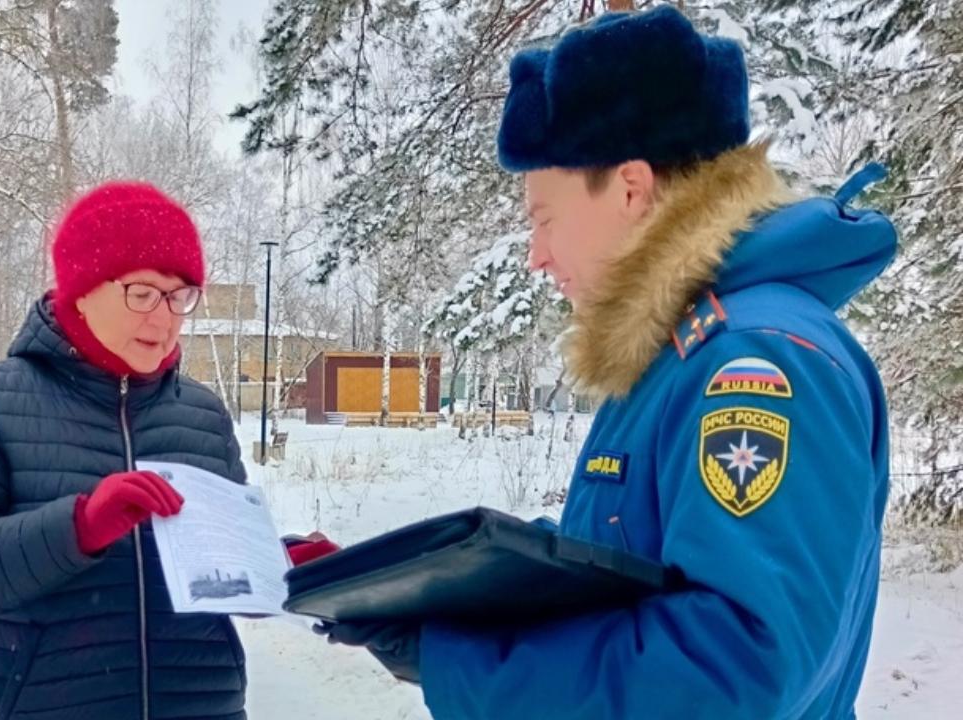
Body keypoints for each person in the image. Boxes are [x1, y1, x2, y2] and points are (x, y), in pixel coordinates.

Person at [322, 6, 898, 719]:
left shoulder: (754, 364)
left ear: (630, 188)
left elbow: (733, 671)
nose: (536, 255)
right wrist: (433, 587)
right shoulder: (675, 357)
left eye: (543, 218)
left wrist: (459, 659)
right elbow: (635, 571)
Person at [0, 181, 257, 720]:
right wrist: (78, 528)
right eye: (142, 292)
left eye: (179, 295)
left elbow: (223, 560)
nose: (163, 318)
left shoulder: (202, 415)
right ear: (83, 290)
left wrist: (288, 569)